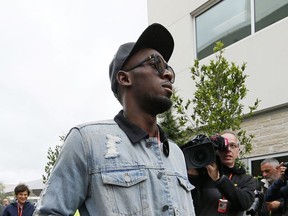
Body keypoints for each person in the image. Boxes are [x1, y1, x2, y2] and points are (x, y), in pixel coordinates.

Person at [33, 23, 196, 215]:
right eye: (156, 64)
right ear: (125, 78)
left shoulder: (176, 154)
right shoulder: (87, 142)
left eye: (169, 68)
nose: (167, 73)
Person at [188, 131, 256, 216]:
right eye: (223, 146)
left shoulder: (246, 179)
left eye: (233, 145)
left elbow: (244, 203)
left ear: (238, 151)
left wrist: (219, 180)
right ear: (216, 151)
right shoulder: (202, 175)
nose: (228, 150)